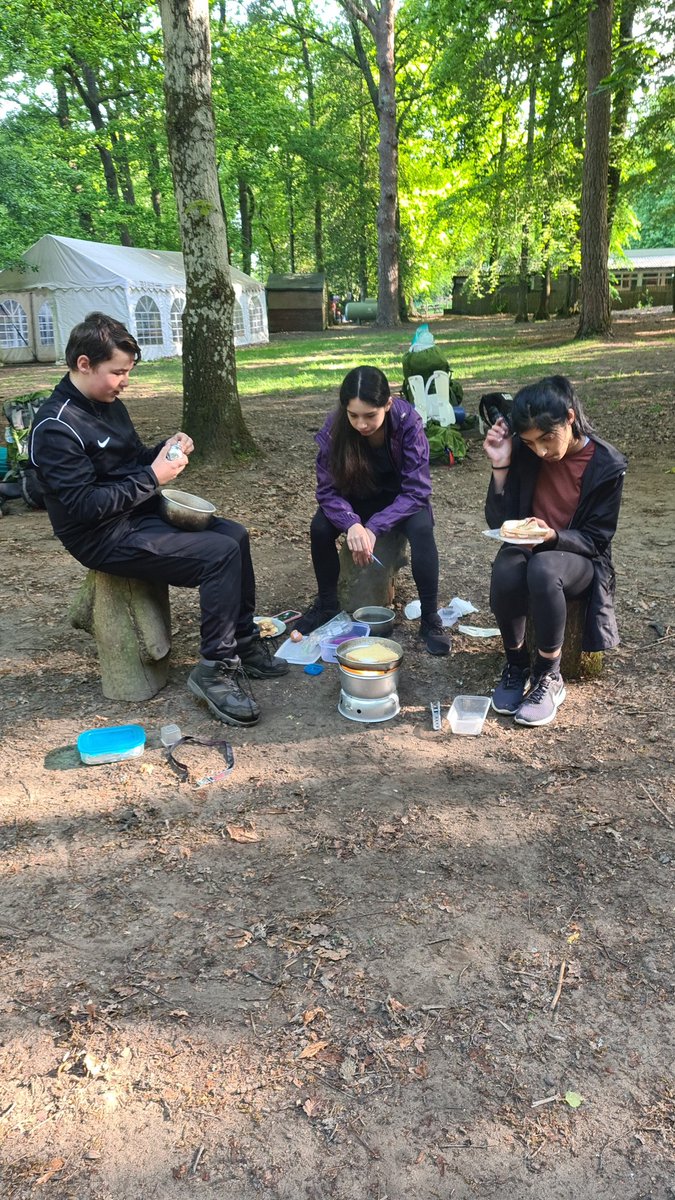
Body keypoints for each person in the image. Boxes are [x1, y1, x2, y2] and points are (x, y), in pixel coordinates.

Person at [29, 311, 288, 727]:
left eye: (127, 371)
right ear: (83, 364)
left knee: (234, 536)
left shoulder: (108, 404)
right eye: (117, 371)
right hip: (101, 535)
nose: (124, 381)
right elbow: (84, 506)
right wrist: (153, 477)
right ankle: (214, 670)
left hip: (138, 514)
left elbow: (127, 461)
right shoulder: (56, 427)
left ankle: (242, 643)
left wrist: (163, 450)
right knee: (218, 555)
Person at [483, 375, 627, 727]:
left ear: (570, 418)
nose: (542, 451)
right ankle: (517, 665)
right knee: (506, 566)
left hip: (579, 558)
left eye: (548, 438)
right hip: (532, 548)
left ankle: (549, 675)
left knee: (544, 568)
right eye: (530, 443)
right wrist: (501, 465)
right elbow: (501, 522)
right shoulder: (526, 454)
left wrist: (552, 536)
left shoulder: (607, 465)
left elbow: (596, 539)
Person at [296, 365, 451, 654]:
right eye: (353, 415)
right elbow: (327, 490)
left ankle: (430, 616)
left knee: (422, 529)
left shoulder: (408, 422)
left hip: (400, 500)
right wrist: (351, 523)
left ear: (388, 403)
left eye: (370, 416)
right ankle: (327, 604)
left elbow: (417, 489)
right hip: (354, 498)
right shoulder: (335, 428)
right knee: (319, 528)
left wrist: (374, 527)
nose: (361, 424)